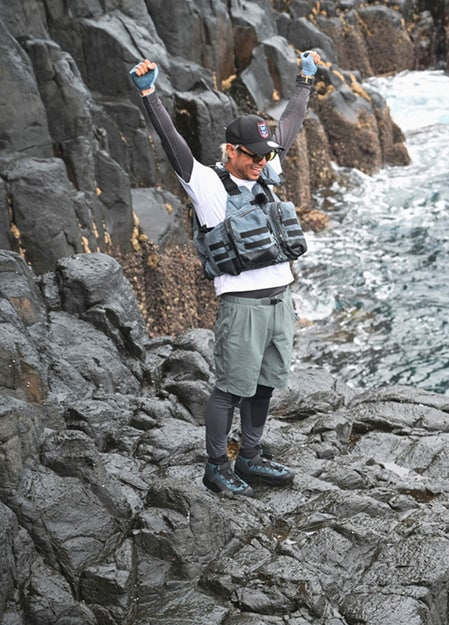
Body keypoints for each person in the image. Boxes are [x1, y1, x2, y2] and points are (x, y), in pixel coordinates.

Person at [128, 50, 322, 497]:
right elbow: (173, 143)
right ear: (231, 150)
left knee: (265, 385)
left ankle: (250, 457)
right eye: (252, 155)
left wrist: (304, 83)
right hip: (243, 307)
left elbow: (288, 130)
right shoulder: (207, 185)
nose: (261, 162)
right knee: (230, 389)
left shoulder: (265, 172)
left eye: (264, 155)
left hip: (280, 303)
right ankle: (217, 466)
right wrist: (149, 94)